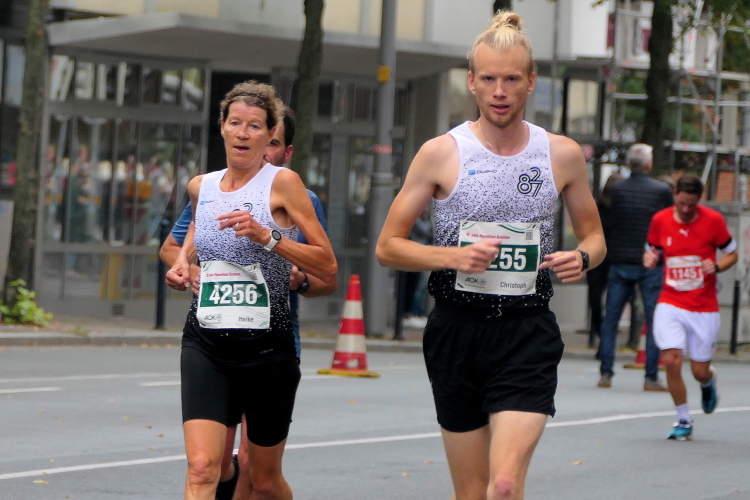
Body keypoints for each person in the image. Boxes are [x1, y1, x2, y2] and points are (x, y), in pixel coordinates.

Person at [376, 11, 605, 500]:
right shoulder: (441, 152)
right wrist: (452, 258)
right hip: (456, 331)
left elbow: (594, 238)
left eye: (512, 79)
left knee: (502, 485)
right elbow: (388, 246)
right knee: (472, 492)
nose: (500, 91)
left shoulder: (560, 154)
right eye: (489, 79)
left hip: (526, 331)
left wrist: (582, 258)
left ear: (531, 83)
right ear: (472, 82)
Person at [165, 81, 337, 500]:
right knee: (202, 467)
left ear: (270, 134)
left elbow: (327, 266)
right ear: (222, 126)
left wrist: (267, 236)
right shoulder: (201, 186)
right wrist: (184, 264)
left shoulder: (285, 184)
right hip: (206, 343)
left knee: (263, 479)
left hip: (268, 350)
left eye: (255, 126)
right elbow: (191, 237)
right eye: (235, 123)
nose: (243, 133)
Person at [644, 174, 737, 440]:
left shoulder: (713, 221)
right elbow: (652, 249)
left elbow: (732, 253)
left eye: (692, 205)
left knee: (699, 371)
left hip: (704, 307)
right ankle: (683, 419)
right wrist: (650, 258)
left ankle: (707, 382)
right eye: (682, 203)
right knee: (671, 360)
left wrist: (716, 266)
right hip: (671, 301)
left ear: (700, 200)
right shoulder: (660, 220)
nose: (686, 210)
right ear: (675, 195)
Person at [596, 144, 673, 391]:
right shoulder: (661, 191)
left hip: (619, 260)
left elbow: (611, 222)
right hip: (650, 262)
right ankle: (651, 377)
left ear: (629, 164)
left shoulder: (617, 190)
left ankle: (606, 373)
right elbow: (668, 224)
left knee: (611, 318)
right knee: (653, 320)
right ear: (649, 164)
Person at [586, 172, 623, 350]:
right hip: (606, 257)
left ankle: (602, 336)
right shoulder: (601, 207)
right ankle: (602, 333)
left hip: (603, 258)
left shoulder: (600, 208)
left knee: (600, 300)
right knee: (604, 301)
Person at [402, 207, 432, 328]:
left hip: (422, 255)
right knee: (414, 287)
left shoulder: (424, 221)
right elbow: (426, 231)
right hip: (414, 256)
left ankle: (418, 312)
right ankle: (410, 312)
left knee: (420, 287)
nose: (425, 212)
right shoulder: (416, 220)